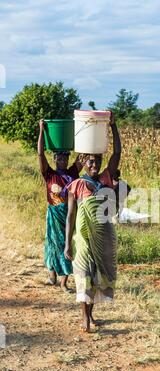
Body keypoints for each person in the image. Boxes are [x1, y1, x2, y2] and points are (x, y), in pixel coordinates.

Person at [64, 112, 121, 332]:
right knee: (83, 275)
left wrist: (114, 127)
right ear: (84, 164)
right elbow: (71, 215)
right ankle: (84, 318)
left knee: (97, 275)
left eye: (97, 160)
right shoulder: (76, 185)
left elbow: (117, 152)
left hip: (104, 235)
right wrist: (68, 243)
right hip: (84, 239)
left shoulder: (106, 178)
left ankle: (91, 315)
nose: (94, 164)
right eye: (90, 161)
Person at [38, 120, 82, 292]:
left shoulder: (72, 173)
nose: (62, 161)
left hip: (69, 214)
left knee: (66, 243)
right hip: (54, 214)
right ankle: (52, 276)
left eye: (65, 158)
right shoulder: (49, 174)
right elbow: (40, 154)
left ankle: (64, 282)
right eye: (59, 158)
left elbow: (83, 157)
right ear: (54, 159)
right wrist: (42, 130)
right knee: (52, 243)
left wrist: (82, 133)